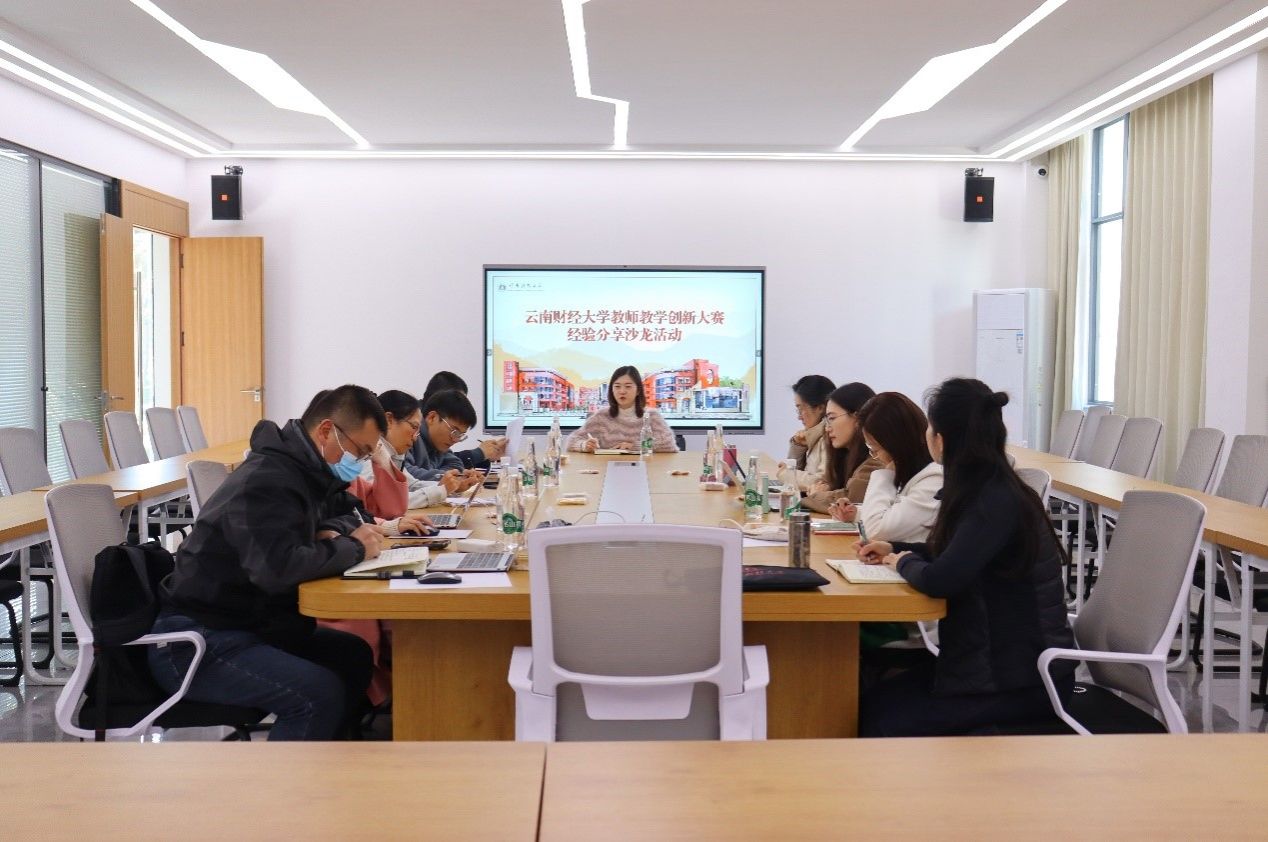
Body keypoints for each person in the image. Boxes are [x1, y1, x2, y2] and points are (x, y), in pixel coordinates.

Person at [148, 385, 386, 740]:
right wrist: (352, 548)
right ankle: (283, 777)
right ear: (326, 431)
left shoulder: (310, 474)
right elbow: (278, 570)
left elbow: (355, 516)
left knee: (351, 655)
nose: (361, 463)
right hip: (198, 641)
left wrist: (333, 532)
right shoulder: (268, 481)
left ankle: (331, 762)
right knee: (316, 695)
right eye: (360, 451)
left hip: (249, 623)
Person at [856, 378, 1075, 737]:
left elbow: (942, 578)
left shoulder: (992, 500)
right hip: (995, 665)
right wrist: (897, 549)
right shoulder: (988, 488)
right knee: (870, 699)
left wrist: (903, 562)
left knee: (877, 717)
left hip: (1021, 679)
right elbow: (959, 555)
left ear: (940, 440)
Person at [848, 392, 943, 543]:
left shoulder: (934, 480)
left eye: (875, 448)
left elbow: (874, 530)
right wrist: (857, 513)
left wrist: (886, 474)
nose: (875, 456)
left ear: (896, 444)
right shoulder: (912, 474)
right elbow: (895, 514)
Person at [350, 389, 455, 514]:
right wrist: (440, 490)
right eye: (414, 427)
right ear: (389, 420)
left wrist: (448, 485)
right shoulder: (370, 454)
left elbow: (411, 485)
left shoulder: (392, 454)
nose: (415, 438)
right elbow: (385, 502)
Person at [802, 383, 881, 514]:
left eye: (832, 418)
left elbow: (849, 500)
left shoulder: (877, 458)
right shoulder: (843, 455)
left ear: (857, 418)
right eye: (826, 421)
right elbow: (827, 486)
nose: (827, 428)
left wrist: (816, 495)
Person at [567, 365, 678, 452]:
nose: (622, 391)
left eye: (628, 386)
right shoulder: (601, 416)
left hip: (643, 468)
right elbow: (572, 441)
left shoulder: (652, 416)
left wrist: (634, 446)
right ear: (612, 390)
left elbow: (668, 444)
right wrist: (584, 445)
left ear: (638, 390)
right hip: (608, 469)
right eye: (617, 386)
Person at [422, 371, 508, 469]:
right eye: (456, 399)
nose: (456, 440)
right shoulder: (414, 433)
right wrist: (480, 453)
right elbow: (414, 474)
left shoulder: (436, 439)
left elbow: (452, 462)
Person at [402, 389, 484, 491]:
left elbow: (456, 464)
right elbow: (405, 473)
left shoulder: (438, 443)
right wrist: (446, 478)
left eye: (460, 435)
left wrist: (456, 476)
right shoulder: (410, 435)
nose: (455, 440)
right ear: (432, 417)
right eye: (454, 431)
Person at [786, 375, 835, 492]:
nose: (799, 417)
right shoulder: (813, 436)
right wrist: (798, 446)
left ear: (820, 408)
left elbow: (822, 482)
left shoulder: (829, 437)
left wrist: (786, 473)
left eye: (801, 409)